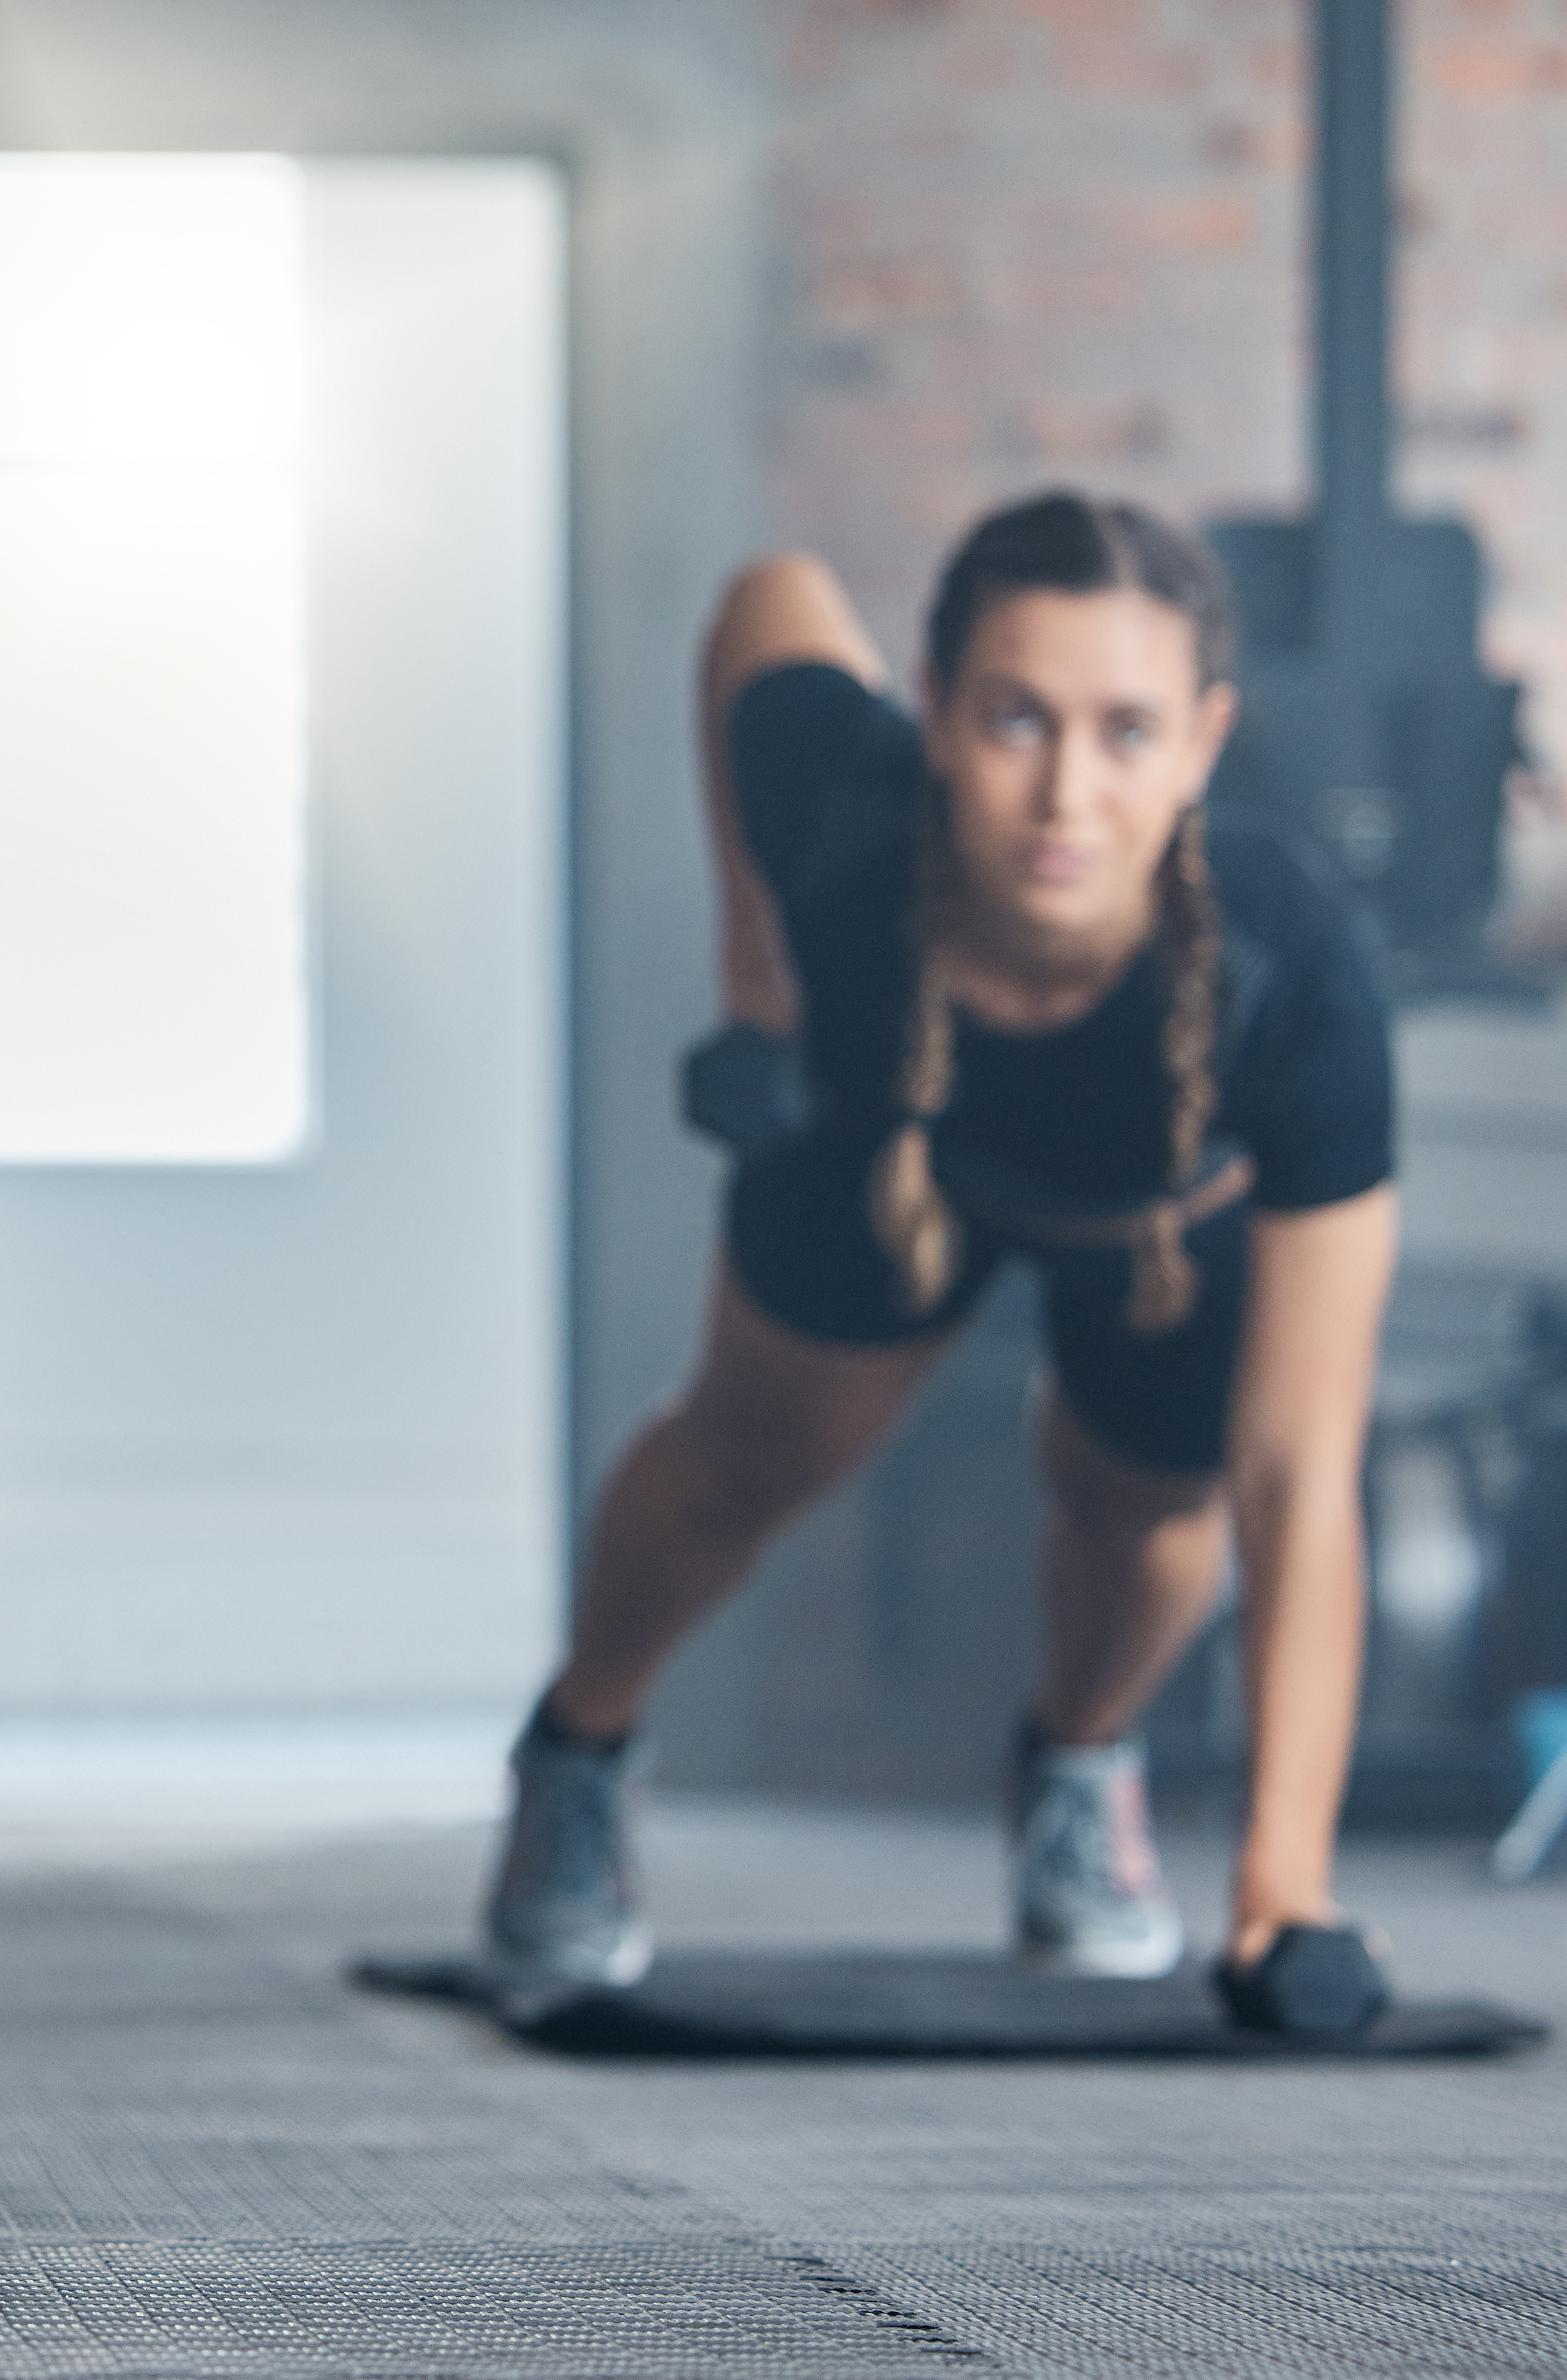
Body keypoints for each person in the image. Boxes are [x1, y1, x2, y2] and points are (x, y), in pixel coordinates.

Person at [488, 492, 1399, 2025]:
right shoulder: (837, 802)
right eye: (1015, 717)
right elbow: (765, 595)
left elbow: (1303, 1475)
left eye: (1126, 731)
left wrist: (1283, 1892)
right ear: (934, 713)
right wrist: (753, 967)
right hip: (884, 1139)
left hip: (1157, 1224)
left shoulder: (1289, 964)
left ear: (1202, 743)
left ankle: (1075, 1766)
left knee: (1152, 1509)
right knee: (737, 1460)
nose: (1064, 793)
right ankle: (578, 1753)